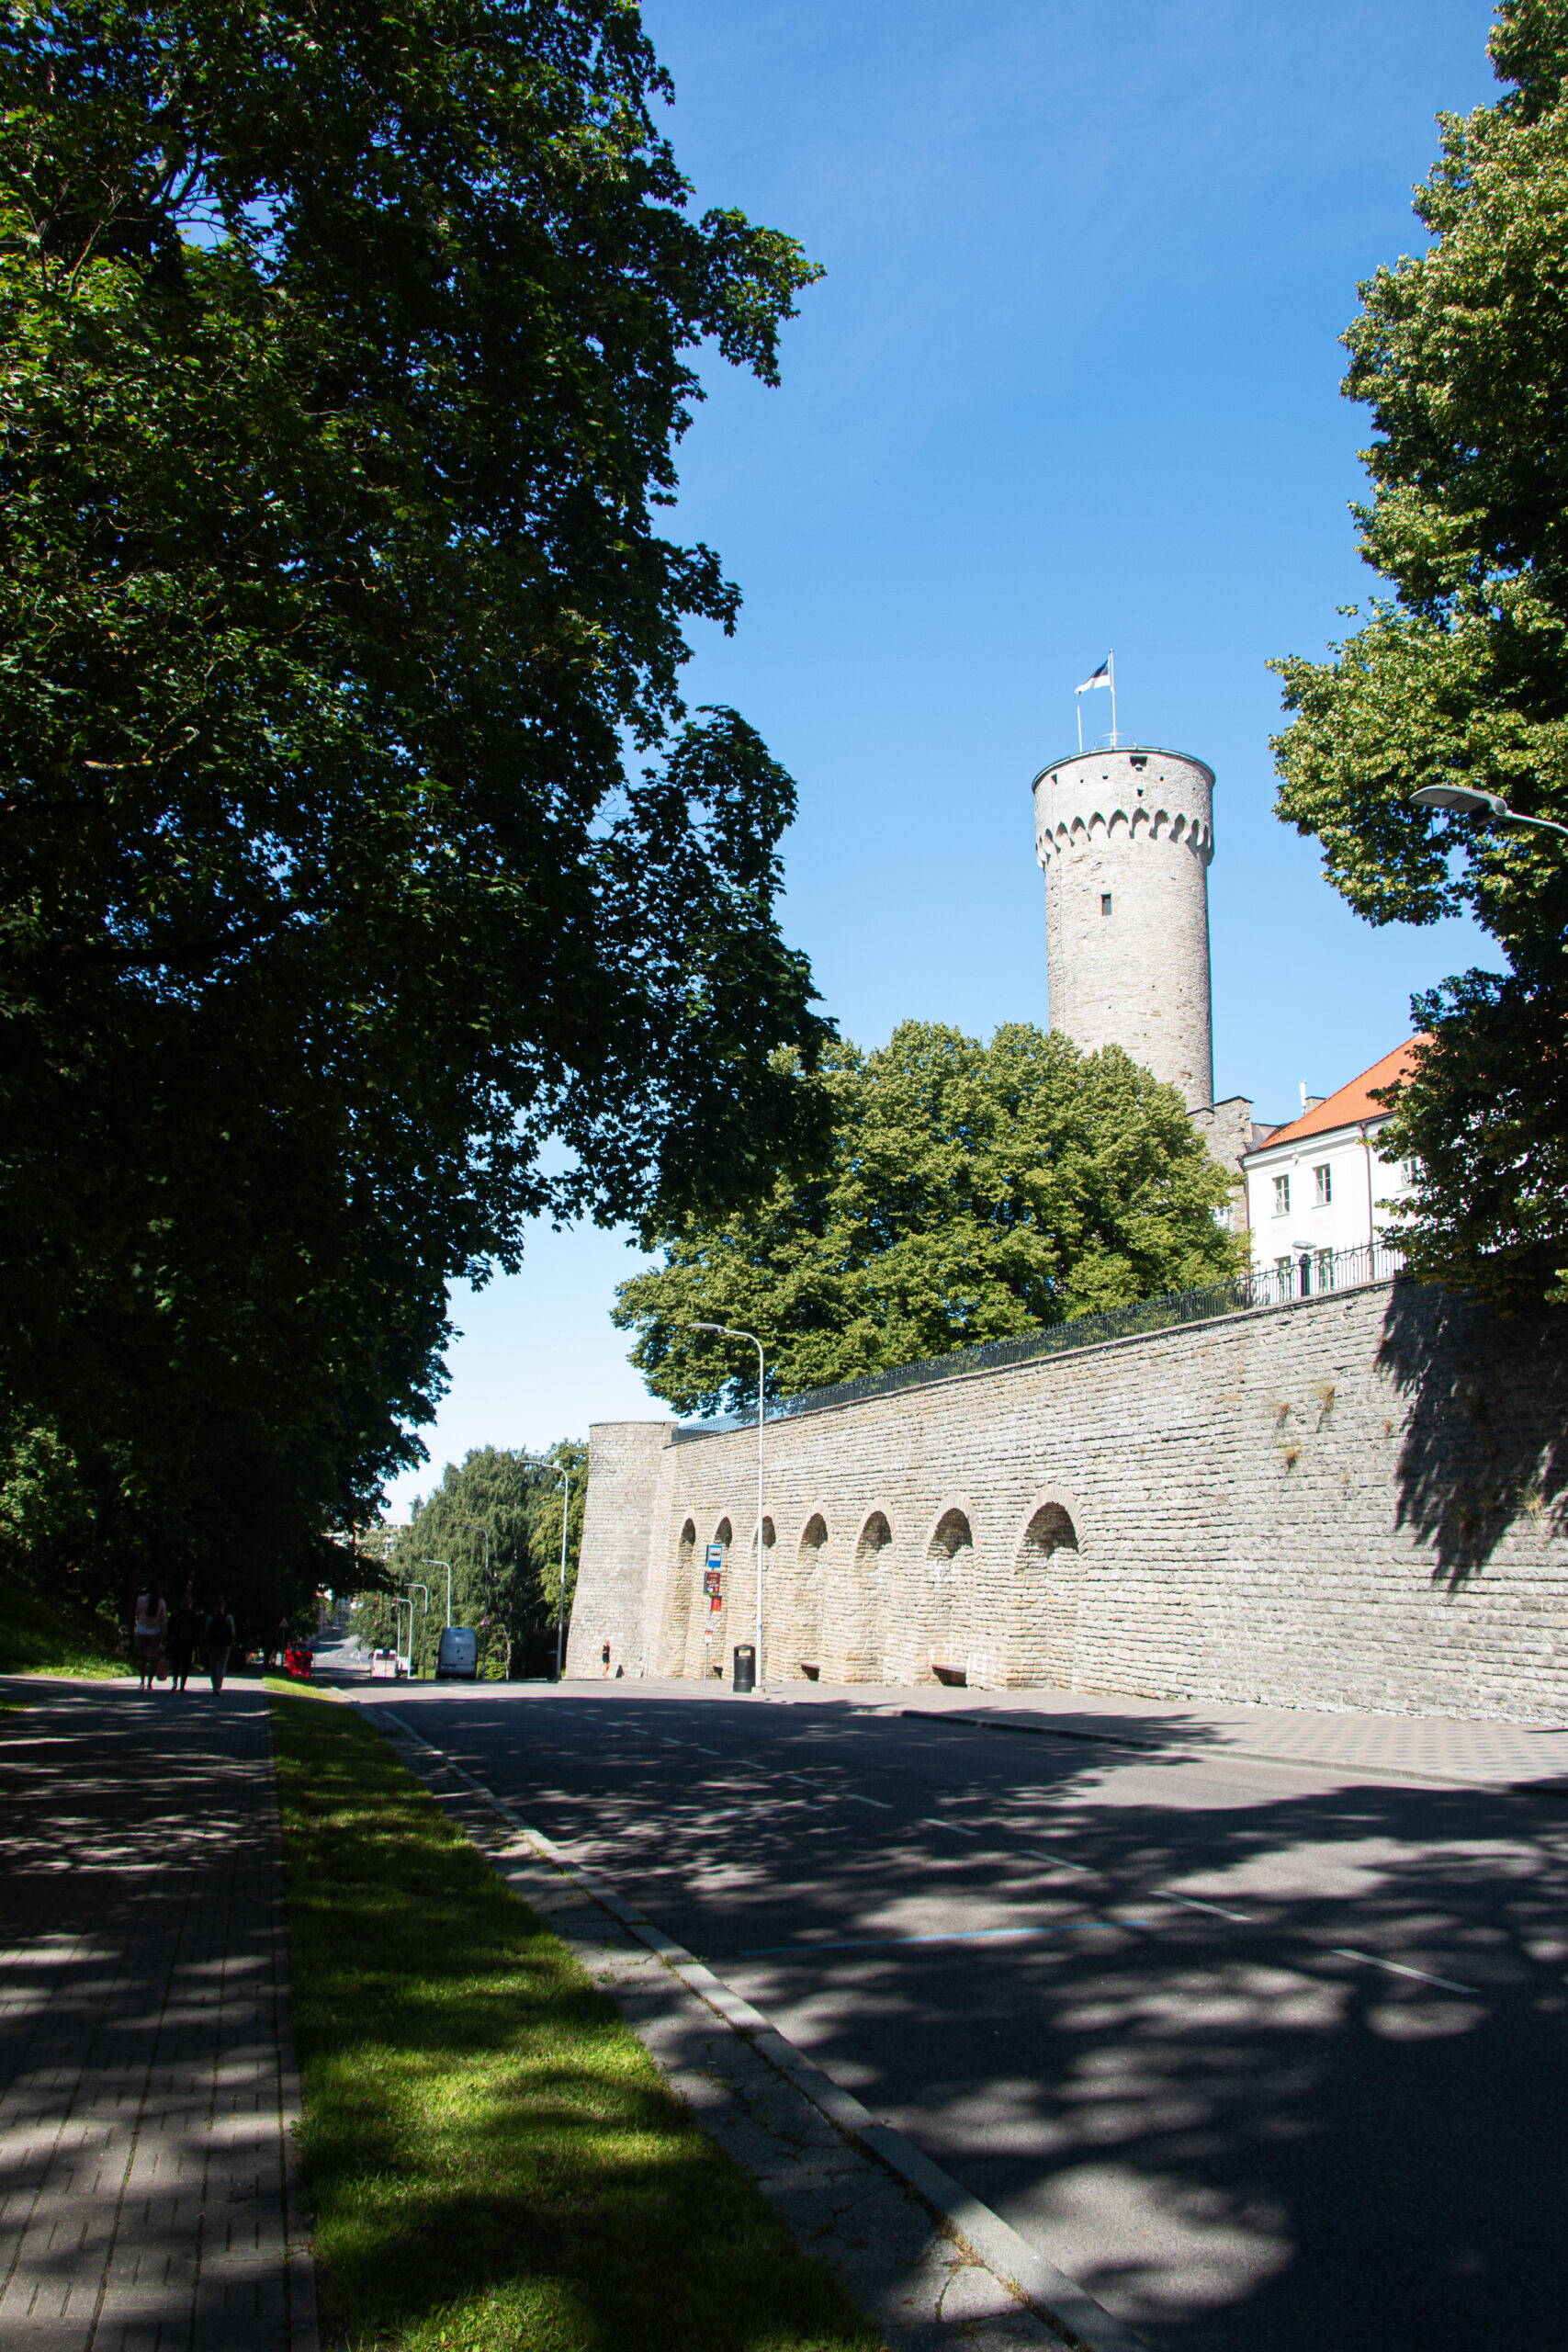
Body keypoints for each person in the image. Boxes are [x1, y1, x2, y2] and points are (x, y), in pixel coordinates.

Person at [132, 1582, 166, 1690]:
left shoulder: (140, 1599)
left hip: (142, 1629)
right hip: (155, 1631)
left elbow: (137, 1613)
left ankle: (142, 1681)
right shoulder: (160, 1602)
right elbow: (163, 1619)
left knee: (142, 1657)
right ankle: (150, 1684)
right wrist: (165, 1633)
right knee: (153, 1658)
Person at [165, 1589, 200, 1692]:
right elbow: (196, 1630)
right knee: (185, 1665)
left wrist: (168, 1639)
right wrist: (196, 1642)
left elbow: (169, 1627)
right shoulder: (193, 1615)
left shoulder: (175, 1614)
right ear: (190, 1604)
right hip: (188, 1643)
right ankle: (182, 1685)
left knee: (176, 1663)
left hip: (176, 1642)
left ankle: (174, 1682)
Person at [204, 1596, 236, 1692]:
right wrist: (230, 1642)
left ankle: (214, 1686)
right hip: (225, 1645)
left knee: (213, 1666)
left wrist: (207, 1642)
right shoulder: (228, 1618)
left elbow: (206, 1632)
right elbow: (232, 1632)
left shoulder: (210, 1618)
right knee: (222, 1666)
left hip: (213, 1645)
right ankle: (219, 1686)